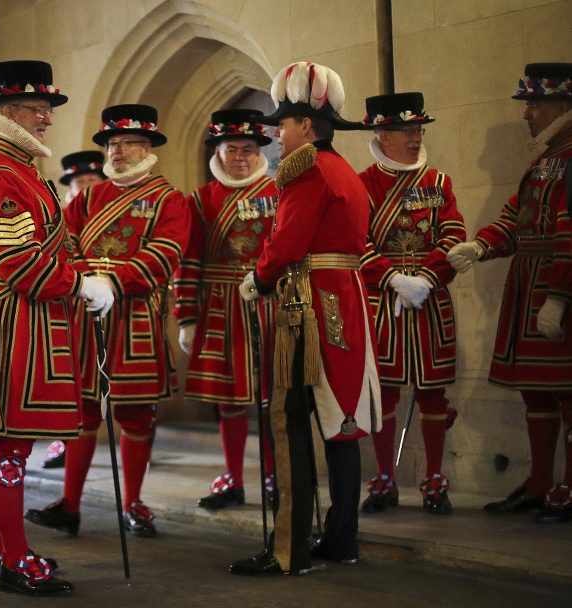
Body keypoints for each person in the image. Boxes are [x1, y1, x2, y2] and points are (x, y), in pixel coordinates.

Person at [0, 60, 114, 596]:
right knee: (12, 445)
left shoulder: (16, 168)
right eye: (37, 108)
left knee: (8, 443)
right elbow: (20, 262)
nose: (46, 118)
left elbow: (50, 246)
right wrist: (79, 285)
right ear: (8, 111)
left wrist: (84, 272)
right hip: (17, 319)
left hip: (25, 318)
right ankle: (16, 559)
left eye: (48, 109)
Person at [233, 61, 381, 575]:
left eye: (285, 123)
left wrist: (259, 278)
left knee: (289, 418)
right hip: (344, 297)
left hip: (309, 304)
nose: (277, 131)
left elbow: (287, 243)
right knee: (341, 425)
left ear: (309, 127)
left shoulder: (307, 168)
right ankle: (342, 538)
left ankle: (289, 549)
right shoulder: (345, 170)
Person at [25, 103, 189, 539]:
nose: (117, 152)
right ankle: (70, 504)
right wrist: (82, 278)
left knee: (136, 416)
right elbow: (64, 241)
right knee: (82, 414)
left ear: (148, 147)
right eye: (112, 144)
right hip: (85, 316)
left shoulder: (169, 199)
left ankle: (134, 503)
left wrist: (114, 281)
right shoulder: (91, 197)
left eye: (127, 143)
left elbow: (165, 254)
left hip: (134, 315)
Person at [447, 62, 572, 524]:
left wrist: (559, 296)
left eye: (536, 103)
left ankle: (568, 489)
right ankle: (540, 485)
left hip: (557, 285)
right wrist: (481, 247)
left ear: (563, 103)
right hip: (530, 283)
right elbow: (517, 217)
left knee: (568, 393)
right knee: (537, 393)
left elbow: (569, 230)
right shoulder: (545, 157)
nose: (528, 114)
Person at [358, 93, 466, 516]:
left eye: (419, 130)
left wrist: (428, 276)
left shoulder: (439, 183)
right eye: (407, 130)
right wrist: (393, 278)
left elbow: (453, 232)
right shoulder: (362, 183)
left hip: (430, 300)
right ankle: (385, 477)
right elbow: (355, 242)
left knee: (432, 393)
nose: (416, 137)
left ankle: (434, 478)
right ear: (382, 134)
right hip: (385, 304)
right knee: (383, 394)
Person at [173, 108, 277, 511]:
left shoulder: (278, 193)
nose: (240, 157)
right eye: (231, 148)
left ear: (259, 151)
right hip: (219, 307)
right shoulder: (198, 200)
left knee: (272, 398)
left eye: (248, 149)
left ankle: (274, 477)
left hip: (269, 305)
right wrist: (186, 317)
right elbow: (189, 260)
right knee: (228, 400)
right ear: (217, 151)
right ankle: (233, 478)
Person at [41, 150, 108, 470]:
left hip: (108, 310)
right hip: (67, 308)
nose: (86, 188)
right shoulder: (59, 219)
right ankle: (64, 439)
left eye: (92, 181)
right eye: (80, 182)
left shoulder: (112, 216)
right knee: (65, 381)